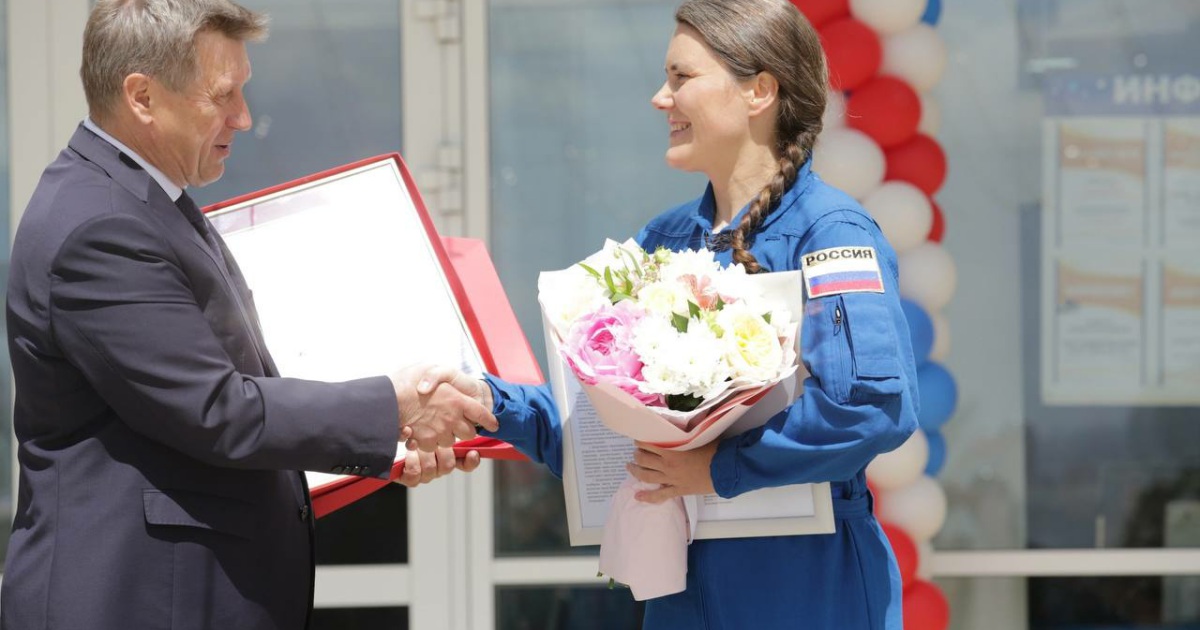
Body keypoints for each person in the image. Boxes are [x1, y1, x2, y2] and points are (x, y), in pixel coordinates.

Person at [1, 1, 494, 628]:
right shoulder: (102, 225)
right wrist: (394, 408)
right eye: (223, 95)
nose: (244, 117)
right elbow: (216, 411)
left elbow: (206, 409)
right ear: (142, 96)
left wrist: (386, 442)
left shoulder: (138, 202)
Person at [464, 1, 920, 628]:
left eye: (681, 78)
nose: (661, 99)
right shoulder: (663, 241)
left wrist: (718, 468)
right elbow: (597, 426)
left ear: (760, 90)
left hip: (810, 590)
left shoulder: (833, 232)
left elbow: (870, 409)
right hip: (682, 593)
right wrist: (487, 403)